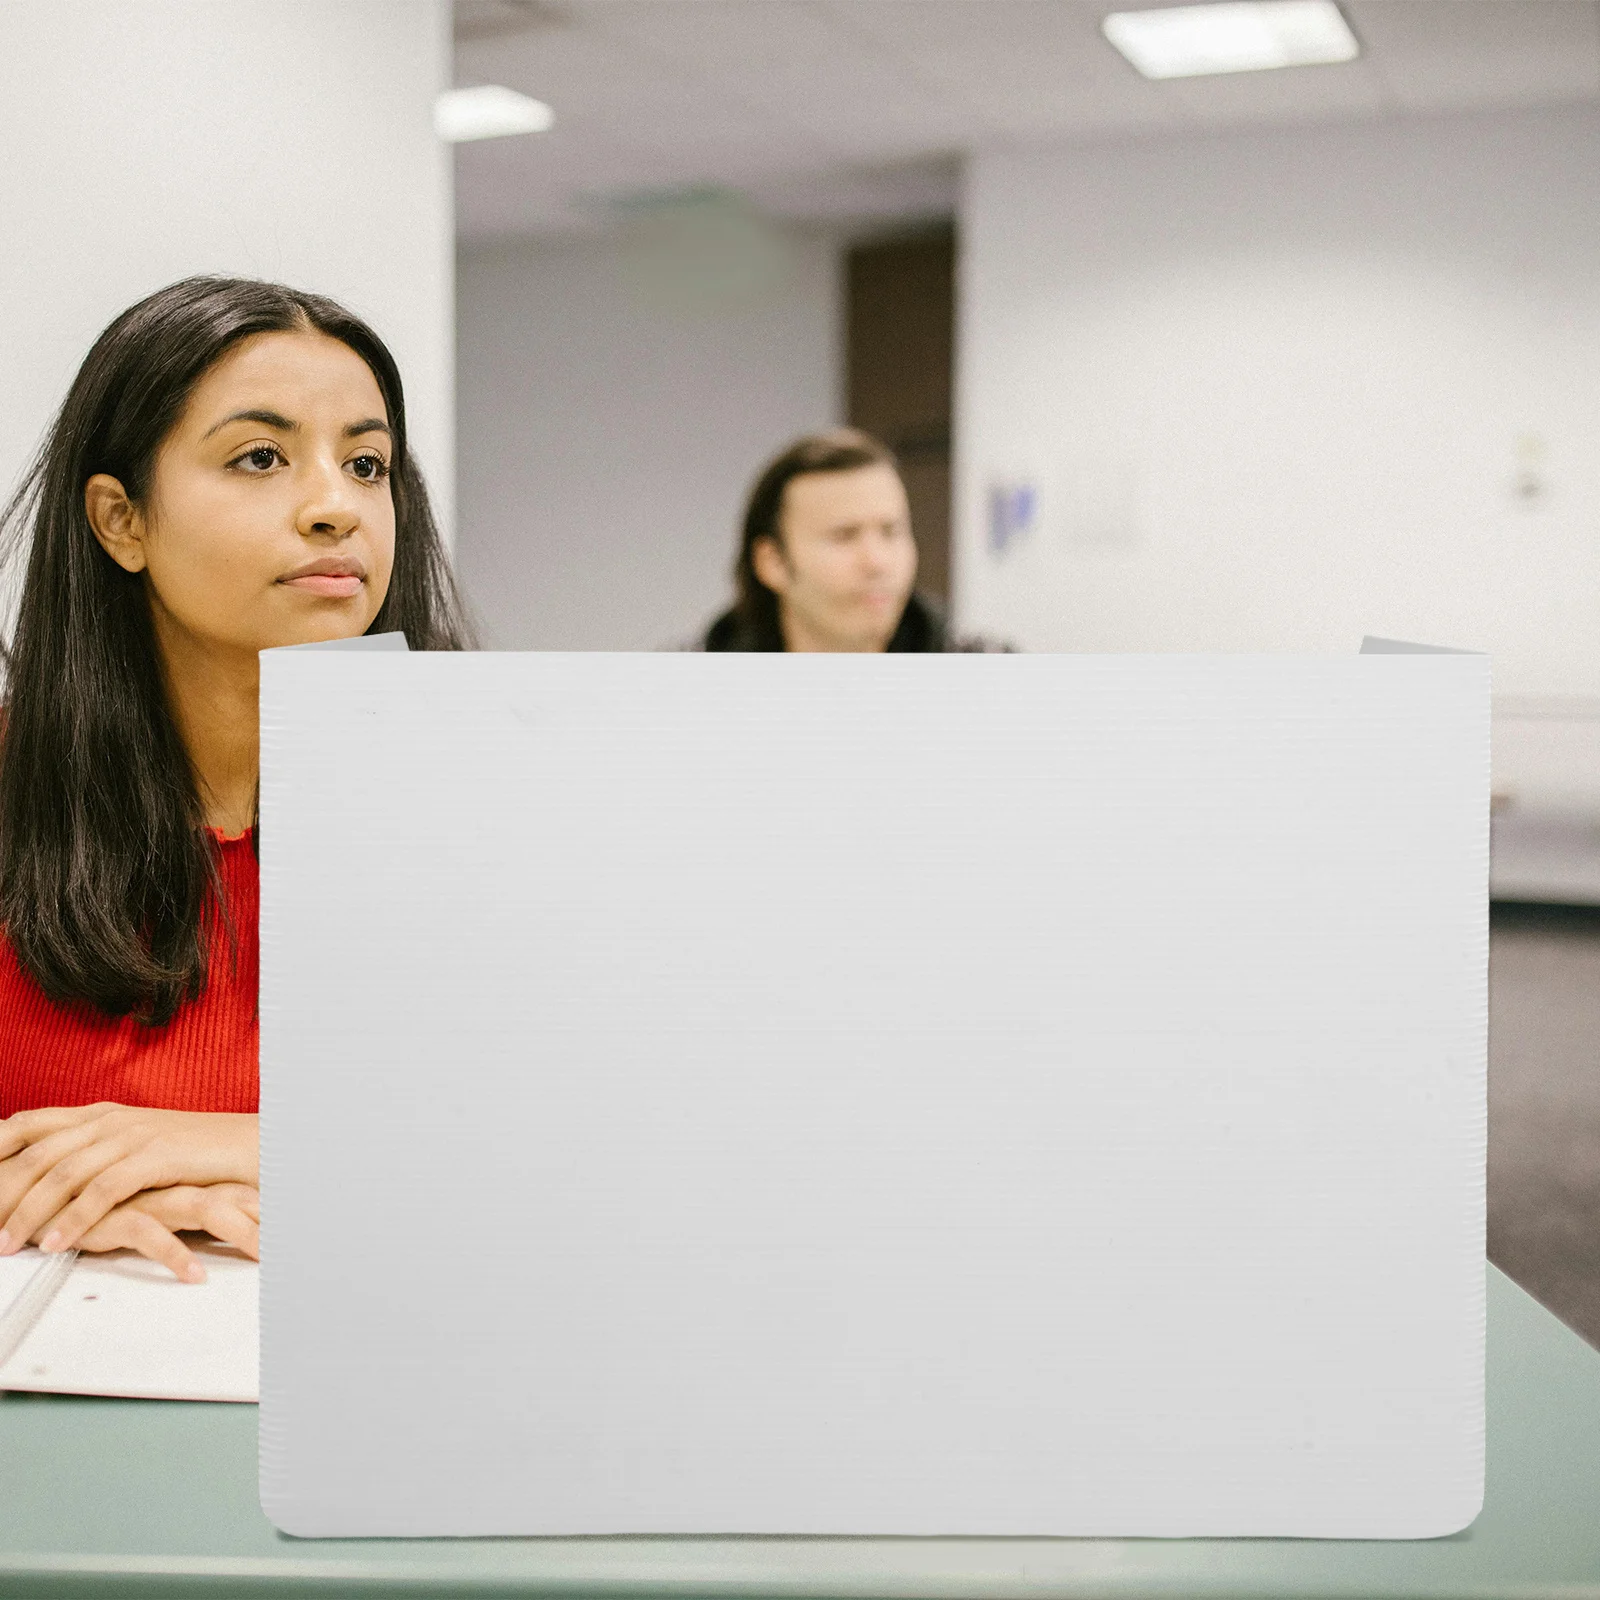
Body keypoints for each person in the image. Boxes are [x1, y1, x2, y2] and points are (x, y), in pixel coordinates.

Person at [0, 277, 471, 1280]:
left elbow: (596, 1145)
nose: (335, 506)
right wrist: (65, 1195)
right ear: (120, 520)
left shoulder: (479, 805)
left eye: (367, 462)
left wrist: (241, 1149)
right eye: (260, 457)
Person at [698, 428, 1006, 653]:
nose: (877, 562)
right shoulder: (687, 697)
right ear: (772, 562)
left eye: (891, 532)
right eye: (843, 536)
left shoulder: (990, 686)